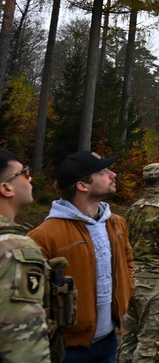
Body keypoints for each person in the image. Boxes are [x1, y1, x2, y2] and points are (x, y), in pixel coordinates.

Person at [29, 151, 134, 363]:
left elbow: (128, 262)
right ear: (82, 186)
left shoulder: (117, 224)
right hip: (67, 350)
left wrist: (127, 289)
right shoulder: (43, 236)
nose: (113, 174)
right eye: (103, 172)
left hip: (110, 341)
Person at [116, 163, 159, 363]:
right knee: (151, 342)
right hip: (156, 282)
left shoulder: (132, 208)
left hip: (131, 280)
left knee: (128, 338)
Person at [0, 150, 56, 362]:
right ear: (6, 187)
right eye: (24, 173)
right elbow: (24, 346)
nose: (30, 178)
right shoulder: (15, 249)